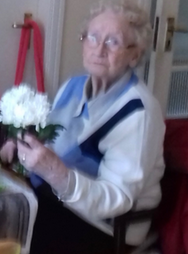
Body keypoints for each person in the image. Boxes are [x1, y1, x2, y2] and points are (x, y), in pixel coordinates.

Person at [0, 0, 165, 253]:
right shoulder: (74, 86)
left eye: (113, 42)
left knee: (10, 231)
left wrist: (59, 175)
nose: (99, 49)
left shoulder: (140, 113)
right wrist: (20, 144)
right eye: (92, 37)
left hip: (101, 225)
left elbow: (117, 199)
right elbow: (52, 142)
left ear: (135, 54)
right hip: (51, 197)